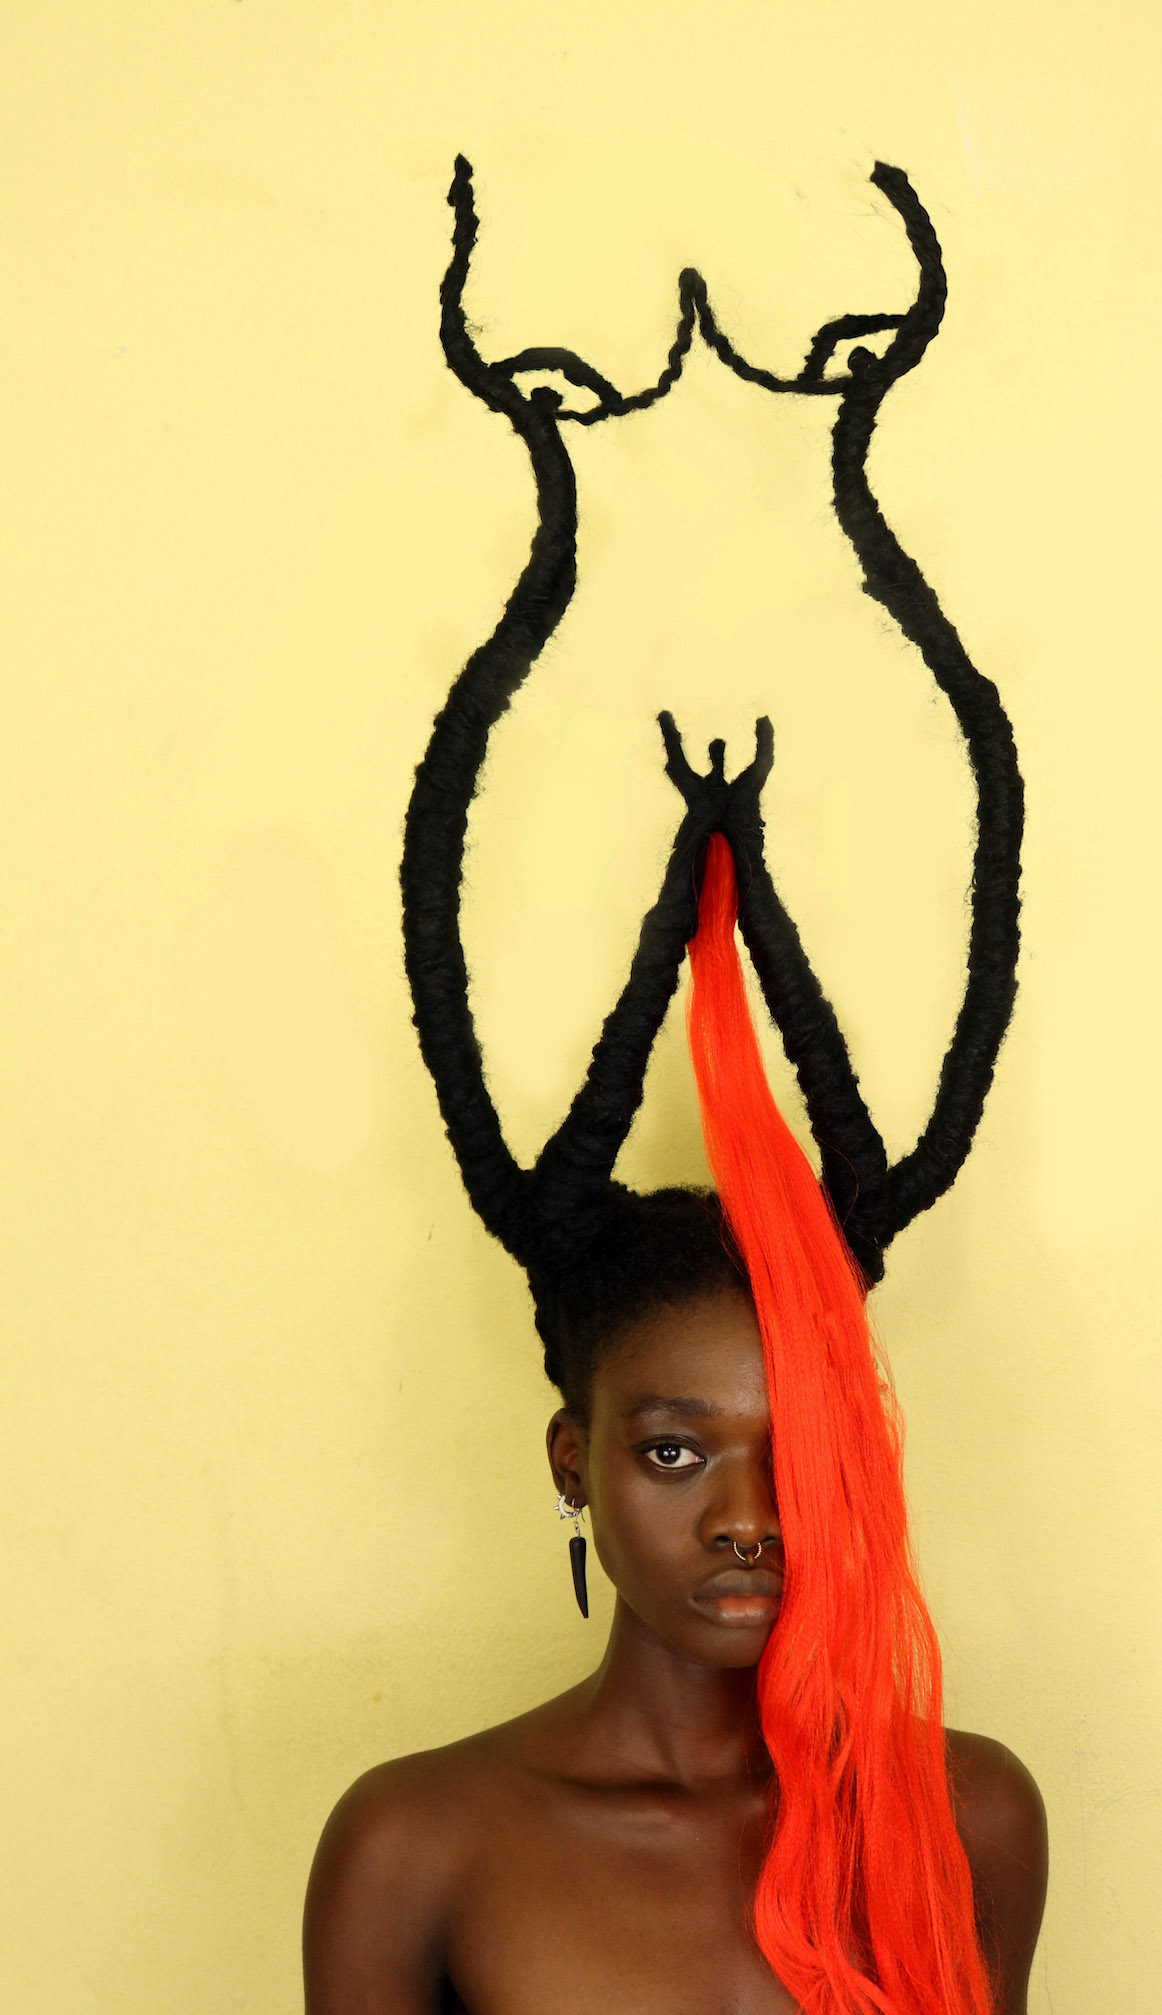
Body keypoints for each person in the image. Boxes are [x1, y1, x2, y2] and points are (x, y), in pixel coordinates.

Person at [305, 159, 1047, 2012]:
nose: (747, 1516)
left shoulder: (969, 1815)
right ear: (572, 1458)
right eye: (671, 1448)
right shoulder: (418, 1844)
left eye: (803, 1447)